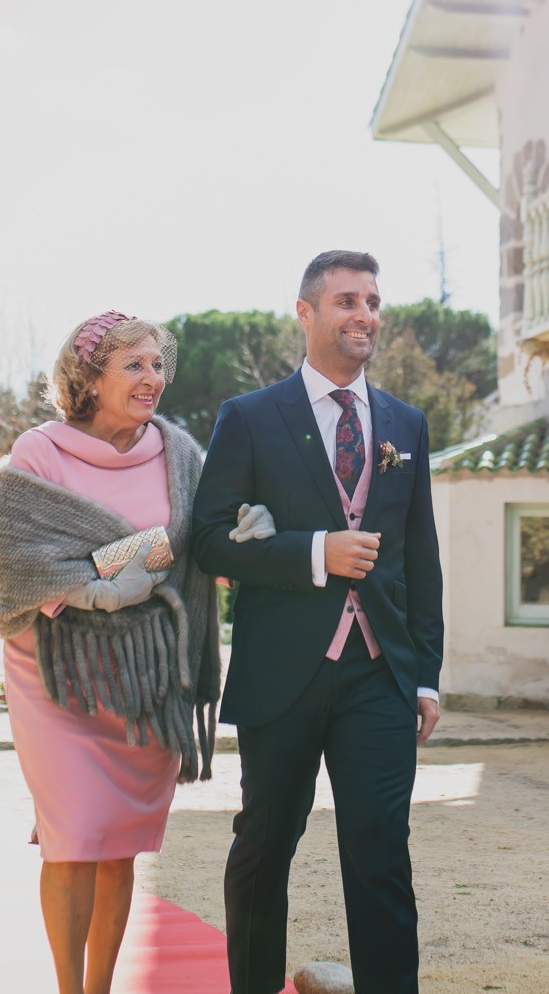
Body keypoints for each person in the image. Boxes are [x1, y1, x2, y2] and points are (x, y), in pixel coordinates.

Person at [0, 310, 269, 994]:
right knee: (73, 837)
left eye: (157, 364)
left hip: (149, 680)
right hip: (57, 677)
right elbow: (20, 561)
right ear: (90, 377)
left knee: (118, 849)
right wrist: (98, 588)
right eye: (134, 365)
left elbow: (196, 543)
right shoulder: (39, 451)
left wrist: (244, 531)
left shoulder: (179, 452)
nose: (153, 377)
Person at [191, 250, 446, 994]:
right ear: (305, 313)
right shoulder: (248, 418)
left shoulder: (405, 423)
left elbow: (420, 559)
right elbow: (208, 540)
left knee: (381, 854)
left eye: (372, 301)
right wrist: (315, 552)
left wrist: (425, 674)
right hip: (283, 674)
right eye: (347, 301)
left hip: (380, 674)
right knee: (264, 848)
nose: (365, 314)